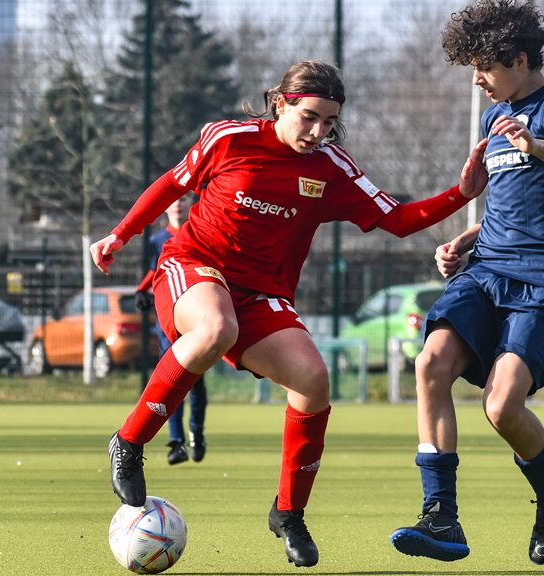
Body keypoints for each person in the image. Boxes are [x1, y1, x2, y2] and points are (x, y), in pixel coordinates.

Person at [92, 59, 489, 568]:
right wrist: (120, 234)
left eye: (329, 123)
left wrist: (463, 193)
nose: (319, 131)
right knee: (214, 327)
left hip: (261, 294)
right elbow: (172, 184)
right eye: (309, 117)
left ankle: (289, 512)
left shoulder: (331, 167)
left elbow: (397, 218)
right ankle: (128, 442)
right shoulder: (228, 139)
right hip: (193, 267)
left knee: (314, 380)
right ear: (282, 104)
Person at [389, 0, 544, 566]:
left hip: (542, 277)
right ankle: (441, 518)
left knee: (501, 408)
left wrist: (534, 143)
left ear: (519, 60)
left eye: (483, 68)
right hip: (486, 269)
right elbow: (506, 202)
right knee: (430, 363)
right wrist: (465, 242)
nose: (476, 80)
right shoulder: (488, 120)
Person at [135, 194, 210, 466]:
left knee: (195, 382)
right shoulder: (157, 240)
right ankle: (176, 442)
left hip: (196, 317)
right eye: (173, 201)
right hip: (168, 322)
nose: (177, 205)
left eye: (182, 201)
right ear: (167, 207)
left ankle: (196, 433)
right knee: (175, 381)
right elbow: (155, 271)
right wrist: (142, 291)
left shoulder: (200, 232)